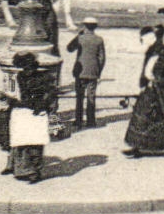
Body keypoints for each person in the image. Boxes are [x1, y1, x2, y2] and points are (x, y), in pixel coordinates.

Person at [125, 25, 164, 157]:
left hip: (162, 91)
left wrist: (160, 80)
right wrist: (143, 83)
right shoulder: (151, 50)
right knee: (141, 117)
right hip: (150, 89)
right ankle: (137, 146)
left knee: (161, 119)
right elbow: (145, 70)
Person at [6, 52, 56, 183]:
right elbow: (23, 95)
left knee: (35, 141)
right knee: (21, 138)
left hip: (38, 110)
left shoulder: (43, 77)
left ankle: (34, 171)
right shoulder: (20, 76)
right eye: (25, 68)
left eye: (29, 68)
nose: (27, 71)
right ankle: (21, 167)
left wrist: (44, 105)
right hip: (26, 109)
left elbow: (50, 93)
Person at [66, 18, 106, 129]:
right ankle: (91, 121)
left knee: (79, 97)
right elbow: (102, 58)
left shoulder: (80, 38)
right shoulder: (99, 40)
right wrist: (98, 71)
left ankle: (78, 121)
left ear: (84, 26)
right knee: (91, 97)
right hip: (93, 71)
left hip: (80, 72)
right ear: (95, 27)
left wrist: (78, 35)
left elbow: (69, 48)